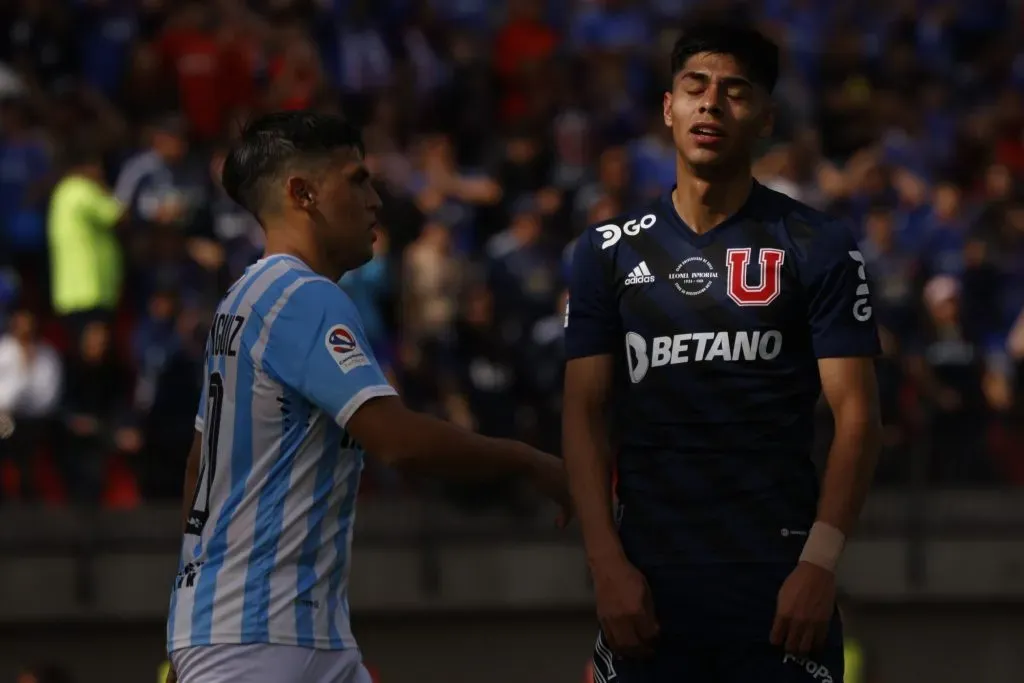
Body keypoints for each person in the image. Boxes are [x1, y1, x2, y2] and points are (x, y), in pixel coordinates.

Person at [165, 111, 570, 683]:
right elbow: (398, 441)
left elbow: (196, 468)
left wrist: (191, 617)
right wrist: (529, 461)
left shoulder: (240, 298)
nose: (376, 199)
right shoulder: (302, 296)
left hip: (279, 634)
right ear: (302, 193)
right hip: (260, 641)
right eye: (357, 181)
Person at [562, 23, 882, 683]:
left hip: (777, 586)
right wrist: (606, 567)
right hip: (648, 589)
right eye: (695, 87)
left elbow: (857, 416)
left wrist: (820, 564)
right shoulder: (605, 251)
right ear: (668, 108)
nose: (711, 104)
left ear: (765, 117)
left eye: (735, 92)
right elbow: (583, 412)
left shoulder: (816, 243)